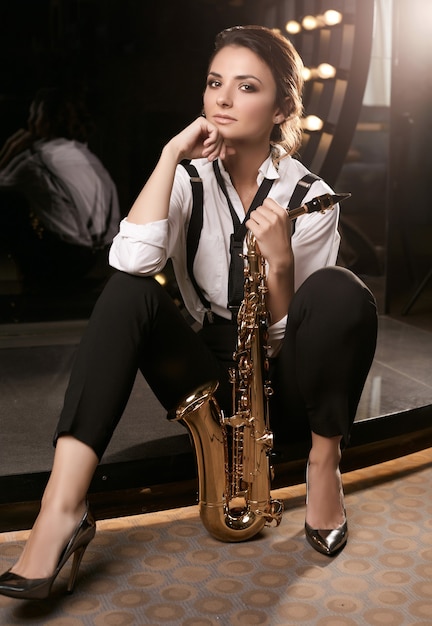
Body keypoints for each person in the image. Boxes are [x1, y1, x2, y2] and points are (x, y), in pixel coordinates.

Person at [0, 25, 377, 600]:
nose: (223, 99)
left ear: (281, 110)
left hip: (288, 380)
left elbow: (288, 330)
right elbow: (131, 260)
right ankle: (62, 508)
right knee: (130, 291)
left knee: (340, 290)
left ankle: (324, 468)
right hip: (209, 369)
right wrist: (170, 154)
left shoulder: (310, 195)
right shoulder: (185, 180)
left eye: (246, 87)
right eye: (214, 83)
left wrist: (278, 264)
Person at [0, 87, 120, 286]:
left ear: (46, 122)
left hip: (63, 259)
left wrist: (11, 146)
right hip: (98, 256)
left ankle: (29, 281)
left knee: (9, 202)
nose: (29, 123)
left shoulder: (35, 160)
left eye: (34, 116)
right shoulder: (85, 155)